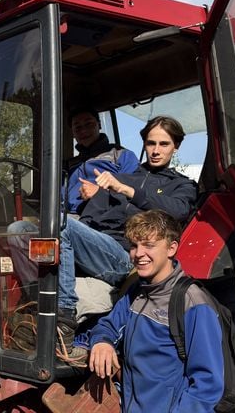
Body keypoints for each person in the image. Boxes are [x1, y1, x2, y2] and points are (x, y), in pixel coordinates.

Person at [56, 116, 197, 350]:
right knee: (21, 230)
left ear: (176, 146)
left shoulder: (181, 186)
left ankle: (64, 318)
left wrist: (128, 191)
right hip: (98, 247)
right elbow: (92, 216)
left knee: (60, 225)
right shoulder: (121, 178)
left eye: (164, 144)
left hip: (125, 255)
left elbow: (178, 211)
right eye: (151, 143)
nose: (155, 150)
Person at [79, 210, 224, 412]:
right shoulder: (136, 291)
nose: (138, 254)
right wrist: (102, 342)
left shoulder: (193, 303)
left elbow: (207, 385)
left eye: (149, 245)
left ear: (171, 248)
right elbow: (108, 325)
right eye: (134, 246)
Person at [6, 107, 138, 284]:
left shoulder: (121, 156)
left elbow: (132, 195)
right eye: (77, 127)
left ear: (99, 125)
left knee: (59, 225)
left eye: (88, 124)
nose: (83, 130)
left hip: (100, 226)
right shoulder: (70, 165)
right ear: (73, 133)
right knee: (17, 230)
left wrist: (100, 193)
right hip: (70, 219)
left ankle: (62, 304)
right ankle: (34, 292)